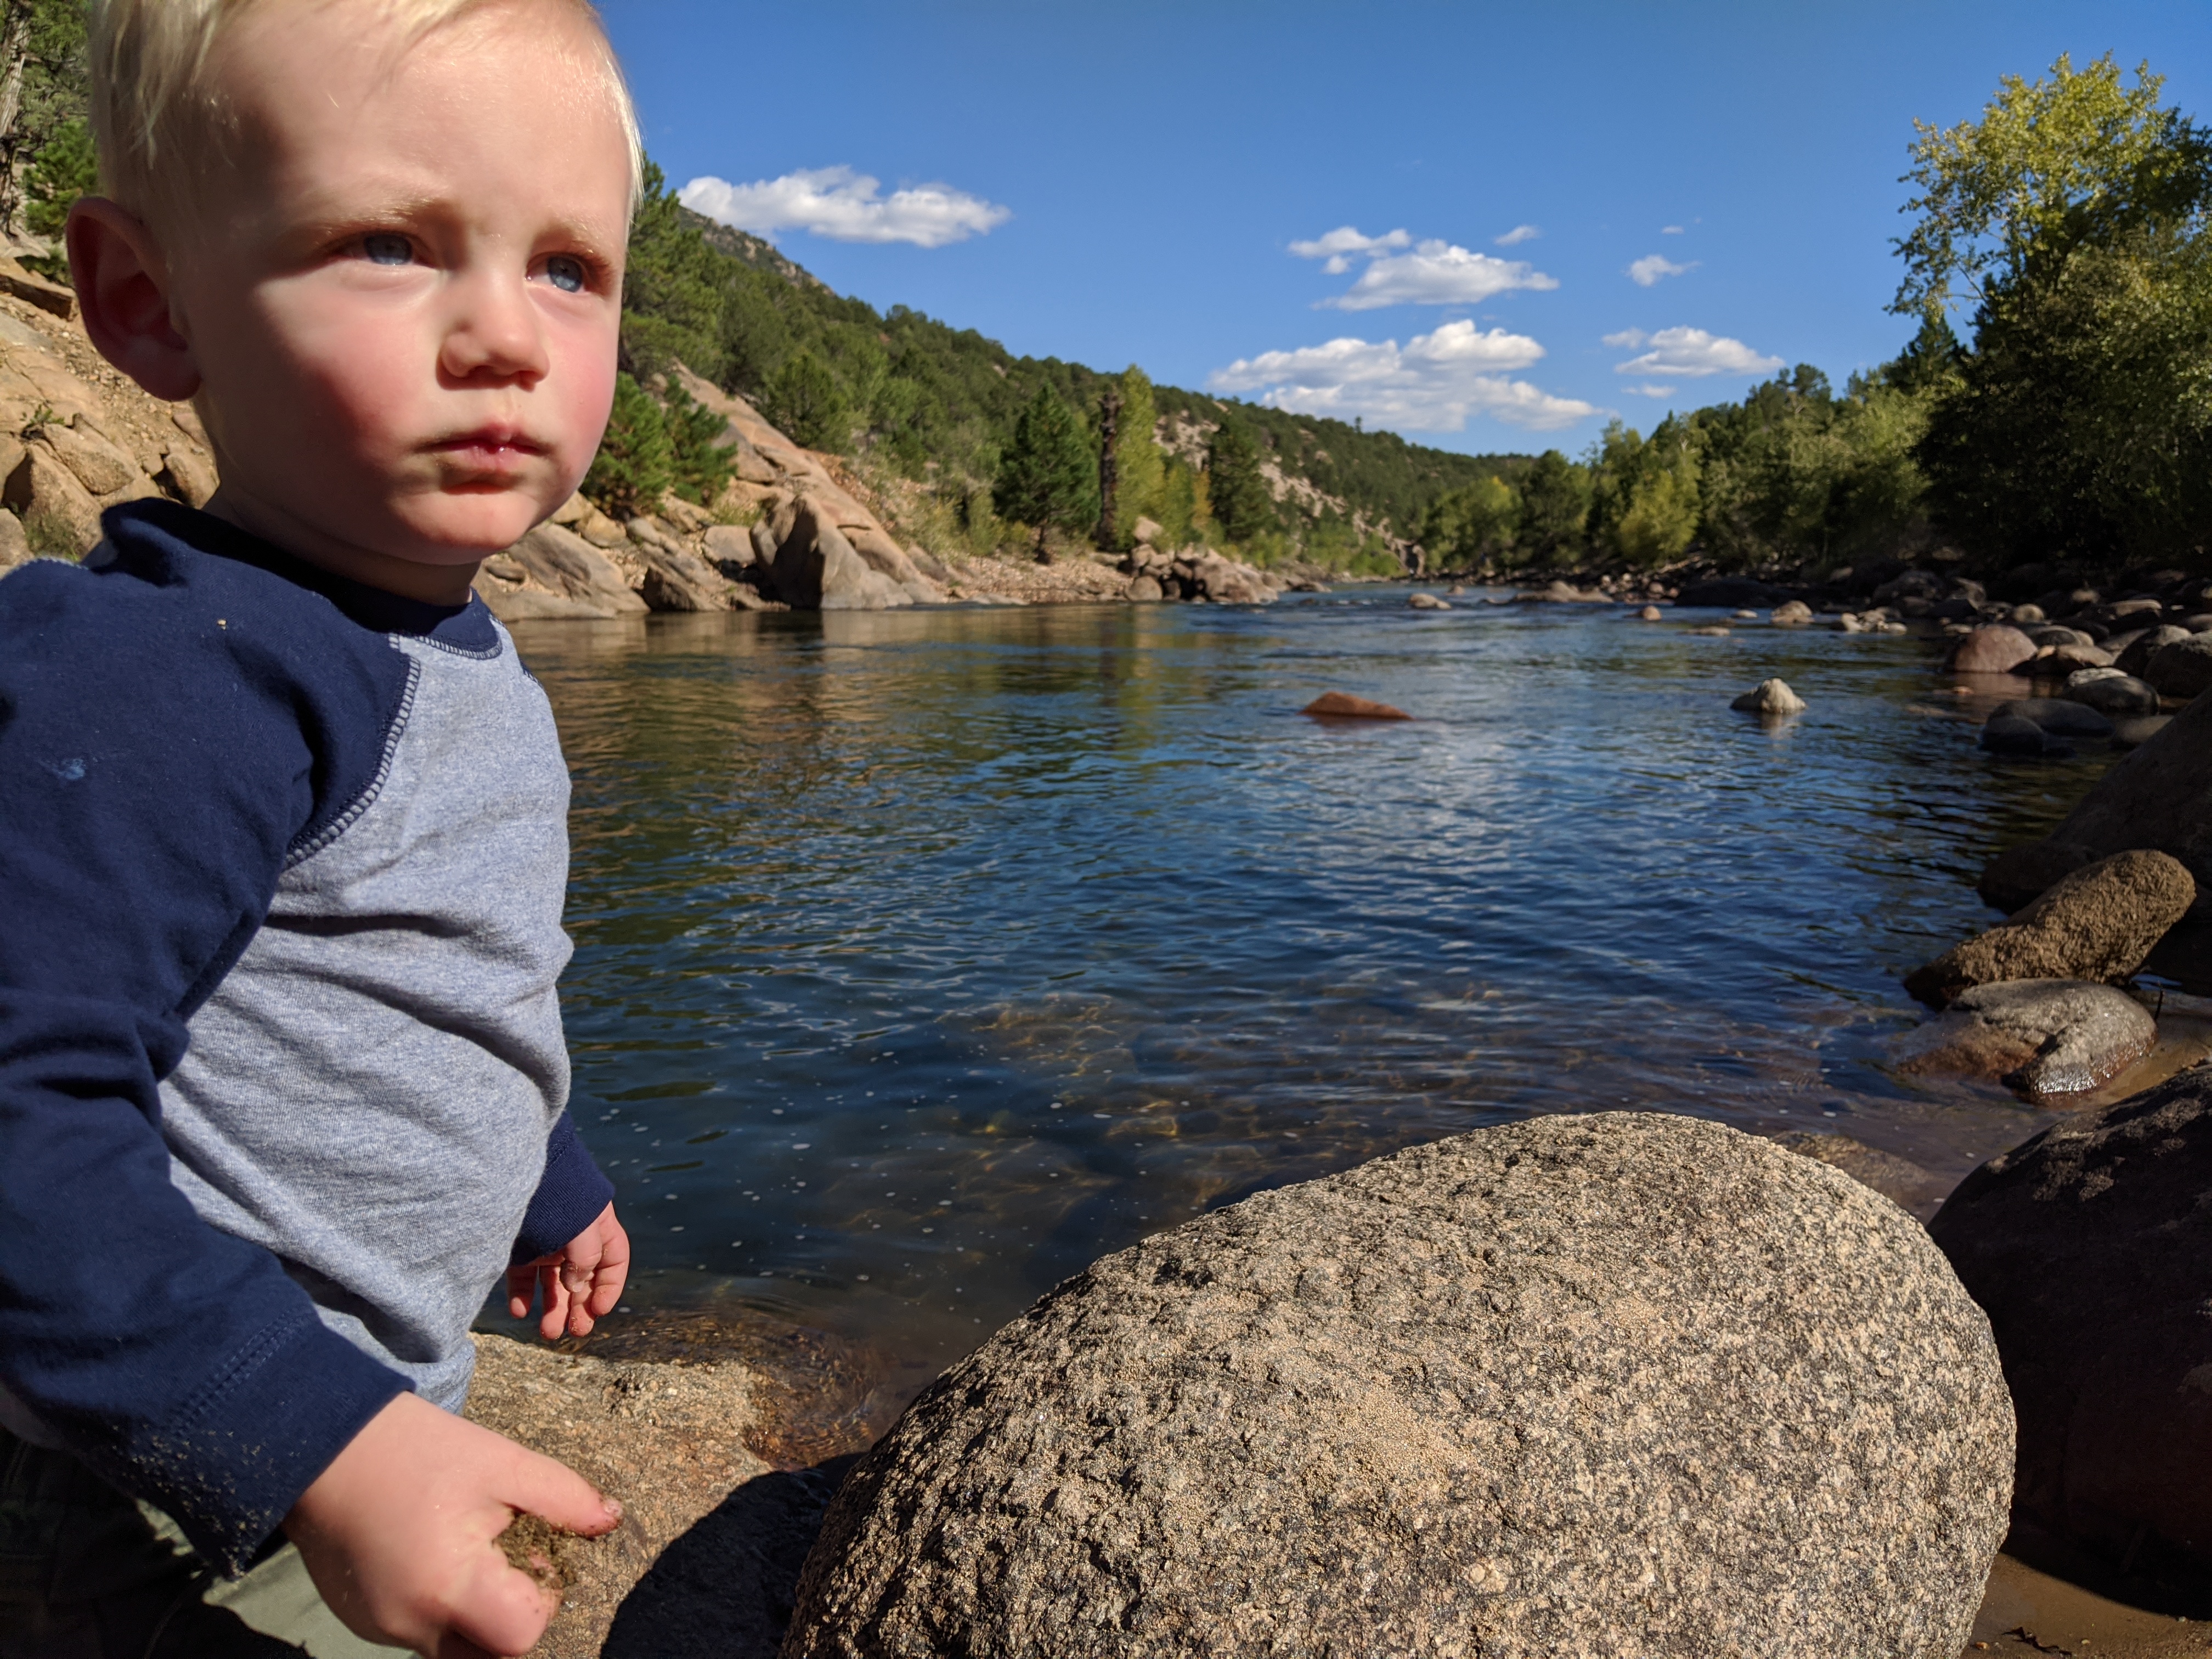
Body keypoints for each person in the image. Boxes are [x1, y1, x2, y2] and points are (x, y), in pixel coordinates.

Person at [0, 1, 648, 1652]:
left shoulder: (436, 634)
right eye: (389, 243)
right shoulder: (171, 674)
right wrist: (316, 1439)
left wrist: (544, 1173)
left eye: (568, 267)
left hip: (317, 1421)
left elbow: (436, 970)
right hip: (160, 1478)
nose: (505, 333)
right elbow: (24, 1104)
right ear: (150, 305)